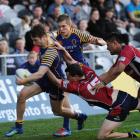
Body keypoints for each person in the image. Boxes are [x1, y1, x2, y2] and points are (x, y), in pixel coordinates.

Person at [5, 24, 87, 137]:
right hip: (45, 79)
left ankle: (80, 117)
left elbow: (40, 73)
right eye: (33, 40)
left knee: (58, 111)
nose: (34, 43)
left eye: (35, 40)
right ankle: (18, 127)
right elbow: (56, 32)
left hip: (55, 82)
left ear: (43, 37)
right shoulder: (49, 36)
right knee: (22, 95)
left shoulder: (50, 52)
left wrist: (22, 81)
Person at [47, 41, 140, 140]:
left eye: (68, 76)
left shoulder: (79, 88)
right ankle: (111, 126)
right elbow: (71, 61)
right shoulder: (88, 71)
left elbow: (57, 82)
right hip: (123, 95)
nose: (67, 78)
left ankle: (132, 134)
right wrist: (63, 49)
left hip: (118, 107)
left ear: (76, 76)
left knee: (102, 136)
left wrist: (45, 68)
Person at [53, 14, 107, 136]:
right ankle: (66, 128)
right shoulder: (56, 35)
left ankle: (114, 111)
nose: (61, 29)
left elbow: (100, 41)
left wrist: (100, 42)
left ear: (70, 25)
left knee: (94, 98)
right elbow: (47, 37)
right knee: (64, 93)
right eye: (59, 27)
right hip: (70, 71)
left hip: (83, 70)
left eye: (64, 26)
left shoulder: (78, 34)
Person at [94, 33, 140, 98]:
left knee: (136, 103)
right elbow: (109, 73)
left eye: (108, 45)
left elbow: (118, 70)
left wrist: (103, 83)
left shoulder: (127, 50)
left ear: (114, 43)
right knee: (137, 103)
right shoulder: (120, 57)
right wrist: (92, 81)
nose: (107, 48)